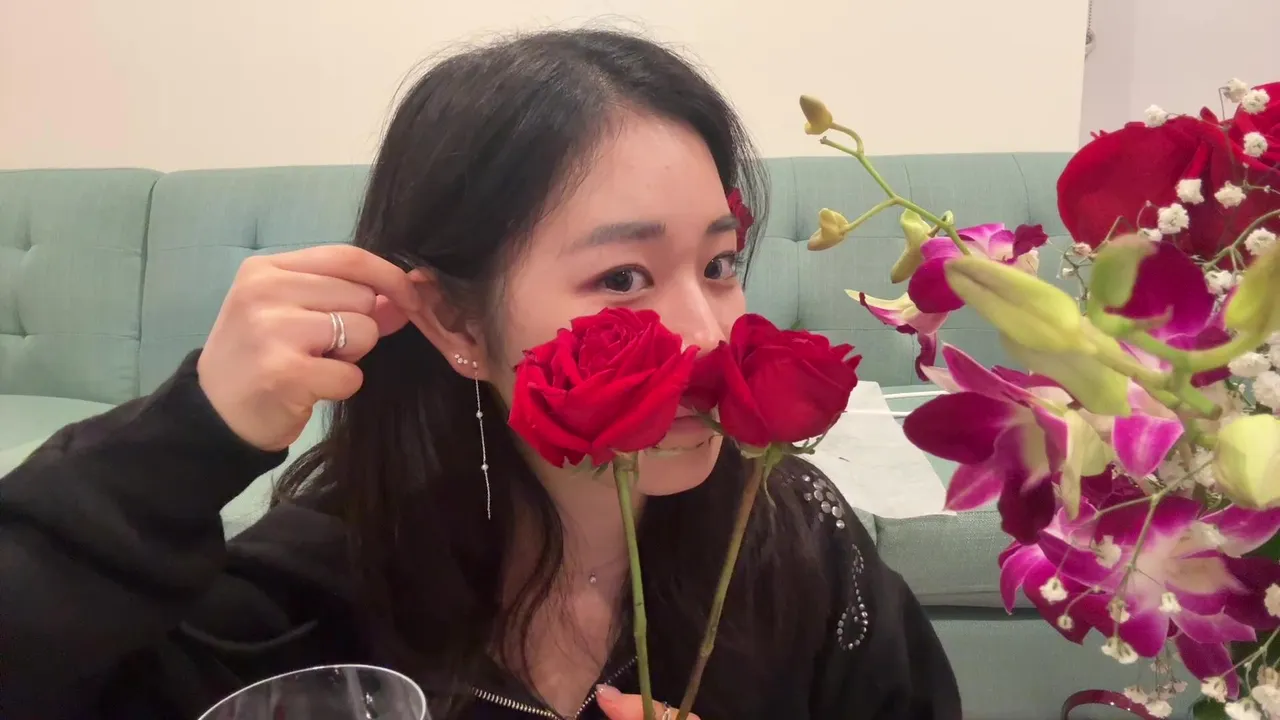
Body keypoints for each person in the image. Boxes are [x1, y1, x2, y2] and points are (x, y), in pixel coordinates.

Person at [0, 29, 961, 720]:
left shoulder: (792, 546)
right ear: (457, 321)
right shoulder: (316, 597)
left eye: (717, 264)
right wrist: (191, 435)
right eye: (623, 279)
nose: (710, 336)